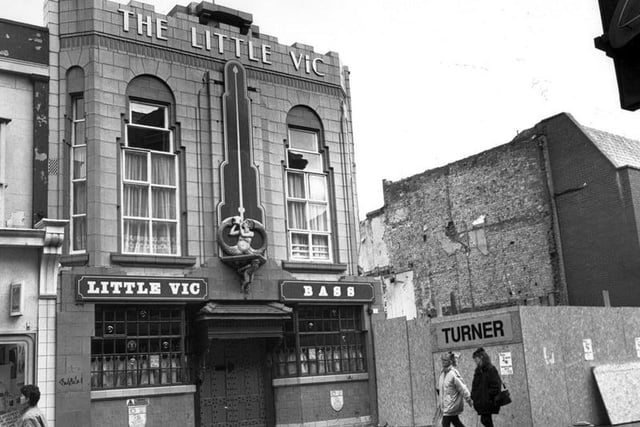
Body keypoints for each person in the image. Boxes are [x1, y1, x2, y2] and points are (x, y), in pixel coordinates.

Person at [437, 351, 473, 427]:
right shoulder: (442, 373)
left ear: (450, 362)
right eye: (442, 360)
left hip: (451, 405)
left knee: (445, 423)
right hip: (446, 405)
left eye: (445, 360)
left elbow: (463, 387)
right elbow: (443, 388)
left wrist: (469, 399)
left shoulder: (453, 373)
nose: (443, 362)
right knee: (456, 422)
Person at [471, 348, 501, 427]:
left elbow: (496, 385)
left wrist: (487, 396)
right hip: (481, 402)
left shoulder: (490, 369)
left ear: (481, 357)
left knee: (485, 420)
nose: (475, 361)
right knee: (485, 420)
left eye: (476, 359)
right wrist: (474, 395)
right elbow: (475, 385)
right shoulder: (478, 371)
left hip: (487, 402)